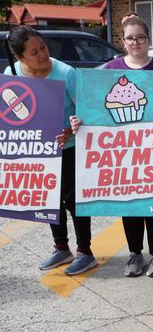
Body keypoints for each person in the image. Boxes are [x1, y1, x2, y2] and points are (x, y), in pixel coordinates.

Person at [71, 16, 153, 278]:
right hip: (122, 152)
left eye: (140, 37)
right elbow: (92, 108)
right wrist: (79, 123)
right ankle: (135, 253)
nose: (136, 42)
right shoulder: (110, 70)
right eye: (130, 38)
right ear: (123, 41)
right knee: (129, 202)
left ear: (148, 40)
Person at [4, 26, 96, 275]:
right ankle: (61, 247)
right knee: (48, 200)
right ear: (20, 58)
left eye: (43, 47)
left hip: (69, 147)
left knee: (73, 200)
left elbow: (88, 111)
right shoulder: (11, 74)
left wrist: (71, 128)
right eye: (34, 52)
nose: (43, 54)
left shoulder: (66, 73)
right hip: (38, 148)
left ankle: (85, 252)